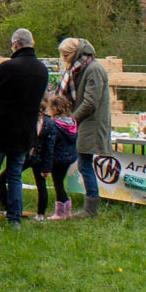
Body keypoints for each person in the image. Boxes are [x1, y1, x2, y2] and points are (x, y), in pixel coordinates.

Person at [0, 28, 50, 227]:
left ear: (16, 44)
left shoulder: (7, 67)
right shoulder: (42, 70)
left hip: (1, 130)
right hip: (25, 131)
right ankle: (14, 219)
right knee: (15, 174)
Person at [58, 37, 111, 219]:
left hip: (92, 123)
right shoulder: (80, 68)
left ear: (75, 54)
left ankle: (91, 208)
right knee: (84, 164)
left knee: (85, 164)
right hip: (85, 122)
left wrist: (72, 119)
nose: (64, 59)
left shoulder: (93, 70)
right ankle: (90, 206)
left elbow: (90, 102)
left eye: (66, 55)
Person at [46, 90, 79, 220]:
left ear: (55, 108)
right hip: (69, 157)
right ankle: (67, 211)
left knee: (58, 183)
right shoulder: (71, 123)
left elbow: (51, 144)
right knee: (60, 182)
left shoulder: (55, 125)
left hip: (58, 158)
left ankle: (60, 211)